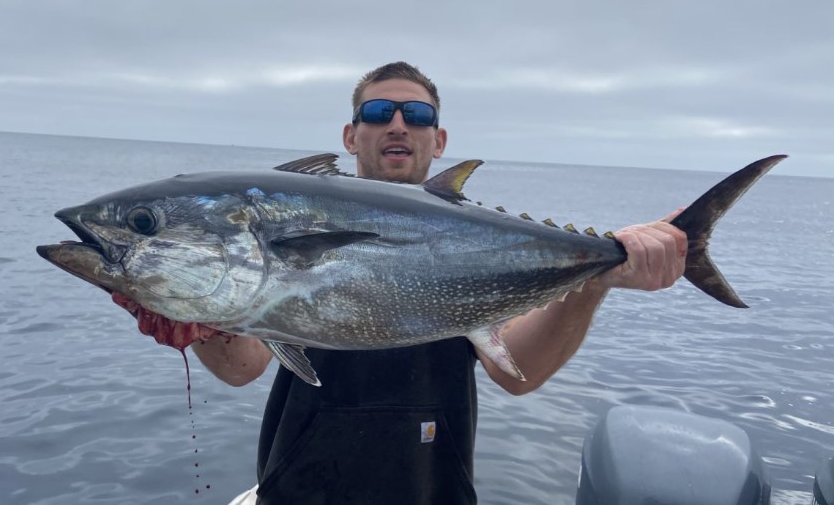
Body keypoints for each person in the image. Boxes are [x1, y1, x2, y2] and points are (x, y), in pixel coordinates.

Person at [192, 62, 687, 504]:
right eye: (380, 111)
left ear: (439, 140)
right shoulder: (295, 218)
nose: (398, 125)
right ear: (350, 135)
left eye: (418, 115)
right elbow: (241, 369)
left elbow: (520, 374)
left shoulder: (479, 243)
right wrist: (193, 313)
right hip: (298, 487)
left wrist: (597, 279)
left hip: (433, 488)